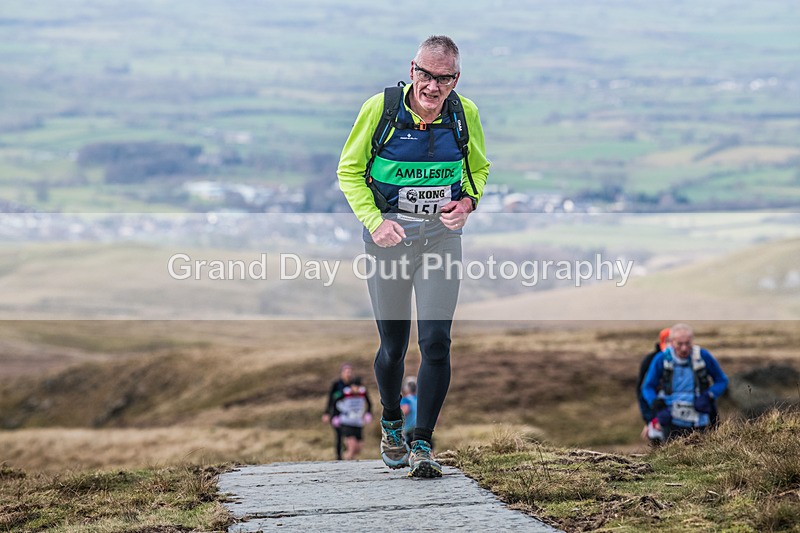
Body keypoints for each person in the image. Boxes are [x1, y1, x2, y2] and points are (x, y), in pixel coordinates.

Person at [337, 35, 490, 477]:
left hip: (440, 238)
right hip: (390, 239)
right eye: (425, 74)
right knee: (393, 348)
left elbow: (478, 168)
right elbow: (349, 170)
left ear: (455, 79)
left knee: (437, 342)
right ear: (412, 70)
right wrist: (375, 222)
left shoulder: (465, 115)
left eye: (443, 78)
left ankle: (421, 441)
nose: (432, 86)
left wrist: (467, 203)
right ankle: (390, 420)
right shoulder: (381, 110)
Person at [641, 323, 729, 441]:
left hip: (699, 419)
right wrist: (656, 403)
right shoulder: (661, 359)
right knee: (671, 457)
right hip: (670, 420)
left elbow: (722, 380)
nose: (684, 348)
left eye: (687, 343)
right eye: (679, 344)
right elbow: (647, 387)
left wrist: (709, 395)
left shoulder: (703, 356)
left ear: (692, 341)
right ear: (671, 342)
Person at [636, 327, 670, 444]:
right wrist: (650, 420)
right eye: (668, 341)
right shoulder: (651, 360)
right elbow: (643, 390)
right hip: (657, 415)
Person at [332, 377, 373, 460]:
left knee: (359, 448)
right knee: (352, 447)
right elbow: (335, 402)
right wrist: (335, 415)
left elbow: (369, 403)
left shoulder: (363, 392)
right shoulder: (345, 392)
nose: (356, 389)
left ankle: (347, 457)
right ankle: (346, 464)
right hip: (347, 421)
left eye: (358, 386)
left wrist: (368, 413)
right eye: (354, 386)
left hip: (358, 422)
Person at [322, 363, 355, 460]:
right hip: (337, 414)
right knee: (339, 435)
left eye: (350, 372)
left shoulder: (354, 384)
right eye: (346, 372)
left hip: (350, 415)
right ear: (342, 373)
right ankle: (339, 457)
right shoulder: (336, 384)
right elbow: (330, 399)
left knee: (349, 435)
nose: (348, 374)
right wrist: (326, 413)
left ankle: (349, 454)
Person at [400, 377, 418, 445]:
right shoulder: (420, 400)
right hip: (422, 430)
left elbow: (404, 411)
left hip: (410, 430)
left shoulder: (406, 400)